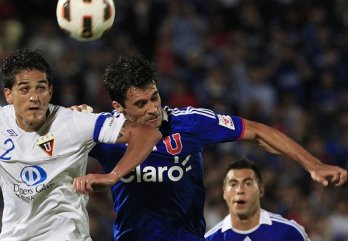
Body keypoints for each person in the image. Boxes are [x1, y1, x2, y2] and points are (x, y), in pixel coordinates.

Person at [73, 55, 347, 241]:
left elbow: (257, 132)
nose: (153, 109)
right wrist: (70, 119)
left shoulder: (190, 122)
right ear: (119, 108)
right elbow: (45, 142)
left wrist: (314, 165)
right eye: (141, 104)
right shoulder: (104, 133)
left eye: (154, 97)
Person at [0, 49, 162, 241]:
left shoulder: (74, 122)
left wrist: (113, 175)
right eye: (24, 89)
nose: (34, 97)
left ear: (50, 91)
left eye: (41, 88)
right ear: (8, 95)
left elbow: (147, 134)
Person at [204, 158, 311, 240]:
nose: (239, 190)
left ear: (261, 190)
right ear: (224, 193)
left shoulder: (289, 232)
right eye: (233, 184)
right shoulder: (210, 239)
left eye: (248, 183)